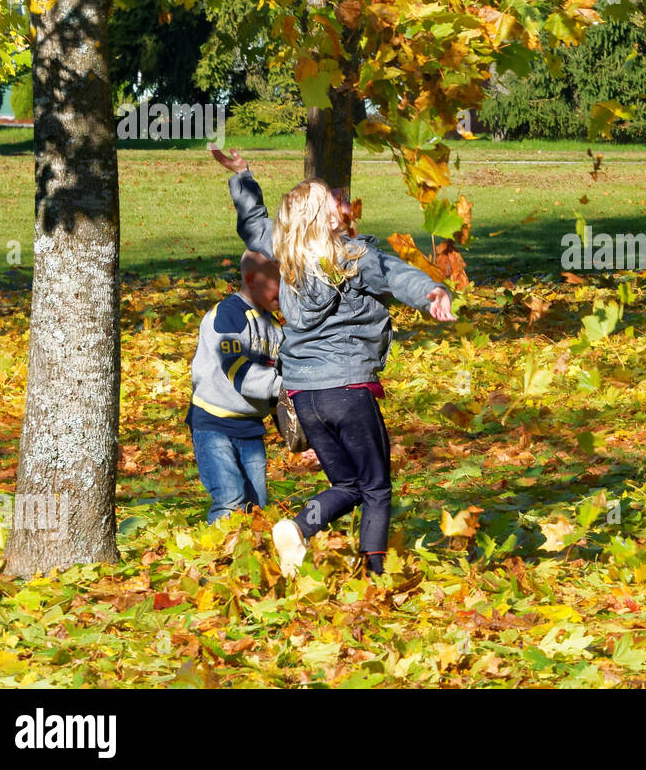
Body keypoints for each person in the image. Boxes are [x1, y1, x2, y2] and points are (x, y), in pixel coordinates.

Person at [211, 147, 456, 577]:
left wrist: (242, 175)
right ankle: (375, 576)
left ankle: (300, 526)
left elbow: (252, 226)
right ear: (324, 218)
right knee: (376, 487)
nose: (341, 205)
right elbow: (398, 276)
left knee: (348, 485)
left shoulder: (285, 255)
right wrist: (432, 293)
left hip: (305, 396)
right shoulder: (354, 259)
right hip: (348, 390)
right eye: (332, 202)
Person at [186, 249, 284, 524]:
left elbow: (279, 380)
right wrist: (284, 387)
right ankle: (217, 554)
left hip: (250, 425)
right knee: (230, 498)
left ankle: (250, 554)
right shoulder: (228, 316)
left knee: (257, 504)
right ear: (251, 279)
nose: (286, 288)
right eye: (278, 281)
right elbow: (238, 371)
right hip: (213, 422)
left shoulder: (275, 327)